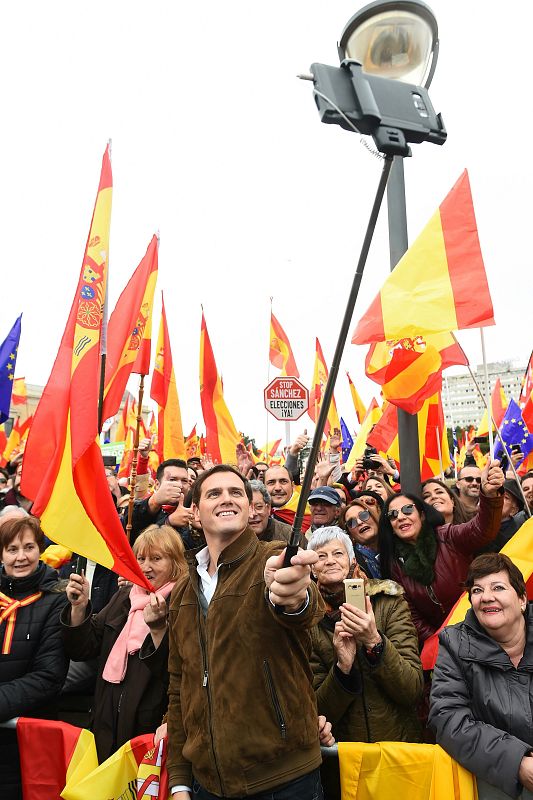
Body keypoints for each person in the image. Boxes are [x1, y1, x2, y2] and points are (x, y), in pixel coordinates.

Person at [166, 464, 325, 800]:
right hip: (206, 784)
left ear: (250, 507)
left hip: (284, 782)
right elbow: (180, 687)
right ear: (194, 511)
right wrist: (179, 779)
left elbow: (302, 606)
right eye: (214, 493)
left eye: (236, 492)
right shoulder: (182, 591)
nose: (227, 499)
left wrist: (293, 595)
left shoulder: (271, 559)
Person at [308, 527, 423, 800]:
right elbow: (317, 711)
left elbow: (412, 689)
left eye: (338, 553)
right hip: (344, 763)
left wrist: (374, 641)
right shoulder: (305, 620)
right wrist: (342, 669)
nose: (330, 560)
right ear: (311, 570)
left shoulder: (389, 602)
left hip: (398, 752)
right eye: (320, 556)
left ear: (353, 563)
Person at [61, 525, 186, 761]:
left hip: (149, 730)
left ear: (175, 563)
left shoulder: (184, 600)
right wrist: (79, 608)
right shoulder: (124, 596)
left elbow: (177, 670)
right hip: (106, 722)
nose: (146, 567)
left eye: (156, 559)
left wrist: (159, 628)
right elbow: (84, 648)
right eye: (140, 559)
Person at [429, 553, 533, 799]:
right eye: (477, 590)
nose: (486, 597)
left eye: (498, 587)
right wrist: (517, 763)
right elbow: (447, 717)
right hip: (495, 787)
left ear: (521, 599)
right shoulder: (454, 643)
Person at [378, 459, 504, 644]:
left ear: (421, 514)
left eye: (407, 509)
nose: (401, 517)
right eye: (393, 515)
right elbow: (412, 617)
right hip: (444, 643)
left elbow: (482, 530)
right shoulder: (395, 564)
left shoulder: (447, 535)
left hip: (483, 629)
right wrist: (441, 642)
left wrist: (489, 495)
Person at [0, 516, 69, 800]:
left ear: (40, 550)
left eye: (29, 547)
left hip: (27, 742)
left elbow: (48, 677)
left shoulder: (57, 598)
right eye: (12, 549)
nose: (21, 557)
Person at [340, 498, 381, 578]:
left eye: (364, 515)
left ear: (374, 516)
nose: (359, 522)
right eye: (351, 523)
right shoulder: (350, 563)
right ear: (350, 534)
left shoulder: (399, 545)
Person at [248, 479, 296, 546]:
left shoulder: (290, 535)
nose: (252, 514)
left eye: (259, 507)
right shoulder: (232, 536)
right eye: (247, 509)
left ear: (268, 508)